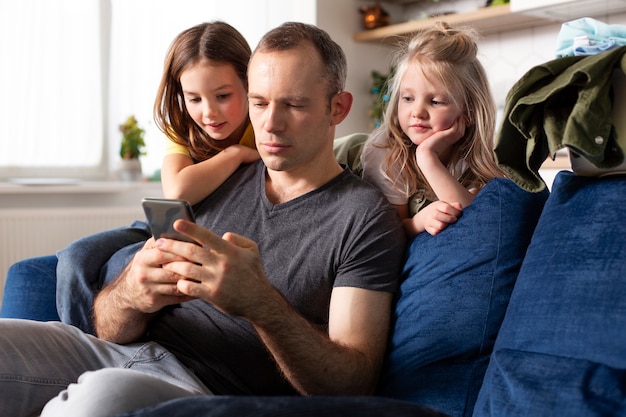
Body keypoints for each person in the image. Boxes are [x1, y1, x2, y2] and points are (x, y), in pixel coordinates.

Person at [0, 22, 406, 417]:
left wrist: (261, 305)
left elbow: (353, 383)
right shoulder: (217, 176)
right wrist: (131, 293)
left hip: (203, 387)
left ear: (338, 107)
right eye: (260, 103)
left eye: (295, 105)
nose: (270, 124)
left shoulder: (363, 217)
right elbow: (109, 329)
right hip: (111, 352)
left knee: (100, 398)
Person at [53, 21, 260, 334]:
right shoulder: (184, 129)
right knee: (73, 257)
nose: (209, 113)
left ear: (248, 83)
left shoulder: (260, 127)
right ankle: (82, 350)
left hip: (208, 233)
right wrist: (234, 155)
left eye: (222, 96)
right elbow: (176, 191)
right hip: (161, 227)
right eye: (194, 99)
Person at [361, 22, 504, 238]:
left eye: (436, 102)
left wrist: (428, 158)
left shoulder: (474, 158)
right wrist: (418, 222)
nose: (417, 112)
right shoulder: (385, 154)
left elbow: (476, 226)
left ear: (469, 111)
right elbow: (387, 235)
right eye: (408, 98)